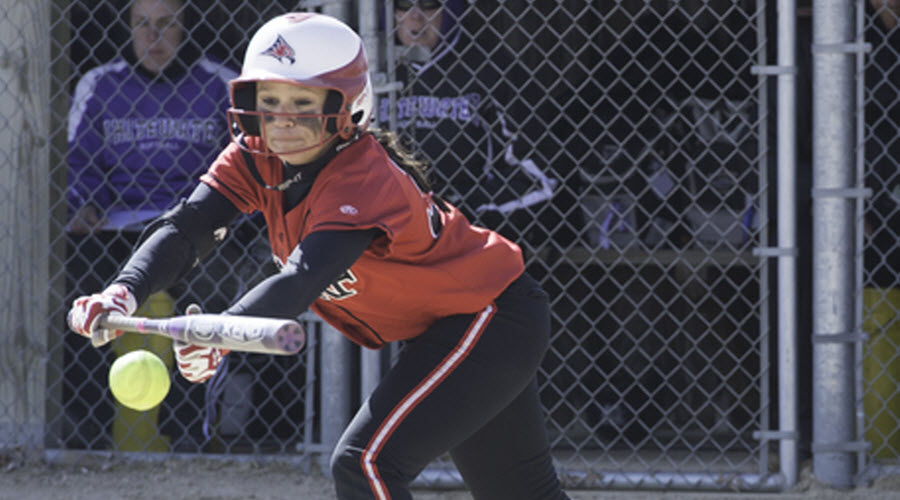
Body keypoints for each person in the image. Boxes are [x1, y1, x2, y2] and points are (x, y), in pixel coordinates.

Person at [67, 12, 570, 500]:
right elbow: (187, 227)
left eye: (303, 101)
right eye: (269, 99)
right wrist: (124, 290)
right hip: (453, 327)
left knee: (366, 463)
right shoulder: (254, 153)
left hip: (490, 318)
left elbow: (303, 278)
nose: (282, 120)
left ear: (348, 107)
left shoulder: (361, 175)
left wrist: (218, 334)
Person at [64, 0, 249, 451]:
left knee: (208, 297)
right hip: (119, 224)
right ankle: (88, 428)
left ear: (188, 26)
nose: (153, 37)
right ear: (126, 27)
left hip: (199, 221)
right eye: (141, 24)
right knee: (78, 289)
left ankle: (191, 429)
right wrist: (86, 203)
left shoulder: (220, 83)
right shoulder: (100, 84)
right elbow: (78, 164)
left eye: (166, 24)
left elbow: (247, 169)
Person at [382, 0, 558, 246]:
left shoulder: (492, 70)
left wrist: (462, 213)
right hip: (386, 228)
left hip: (468, 234)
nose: (415, 18)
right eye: (403, 5)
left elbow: (539, 171)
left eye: (429, 5)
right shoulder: (372, 72)